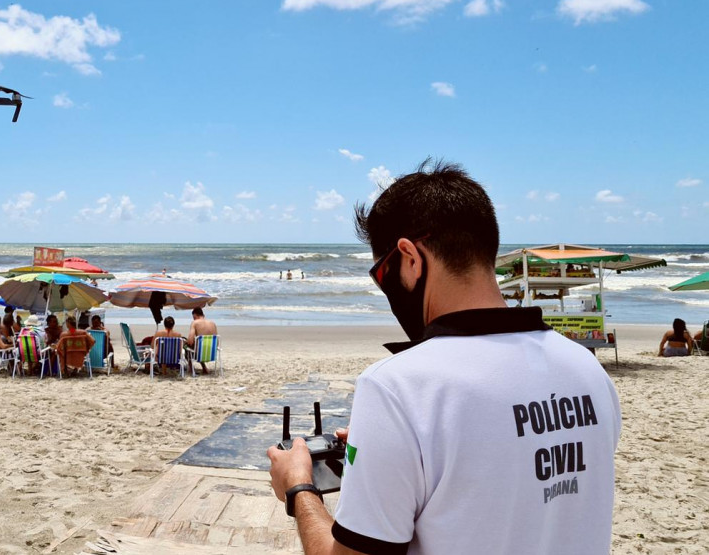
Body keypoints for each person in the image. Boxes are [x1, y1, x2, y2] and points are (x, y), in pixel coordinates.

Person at [267, 159, 622, 554]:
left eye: (383, 274)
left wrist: (299, 488)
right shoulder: (587, 371)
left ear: (411, 258)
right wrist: (397, 454)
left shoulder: (398, 387)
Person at [187, 307, 218, 374]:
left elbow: (190, 341)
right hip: (212, 353)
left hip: (200, 353)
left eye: (194, 317)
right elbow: (217, 342)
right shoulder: (212, 323)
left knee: (187, 346)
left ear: (195, 315)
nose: (193, 319)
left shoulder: (195, 323)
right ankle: (204, 368)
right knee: (200, 345)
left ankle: (191, 368)